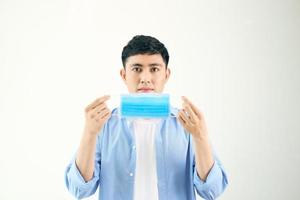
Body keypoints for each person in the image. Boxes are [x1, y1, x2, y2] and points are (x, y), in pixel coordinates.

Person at [64, 35, 228, 200]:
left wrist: (200, 136)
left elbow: (212, 191)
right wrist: (89, 133)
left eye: (154, 69)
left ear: (166, 74)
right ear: (124, 75)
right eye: (136, 69)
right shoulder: (103, 125)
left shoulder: (187, 125)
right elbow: (80, 189)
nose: (145, 78)